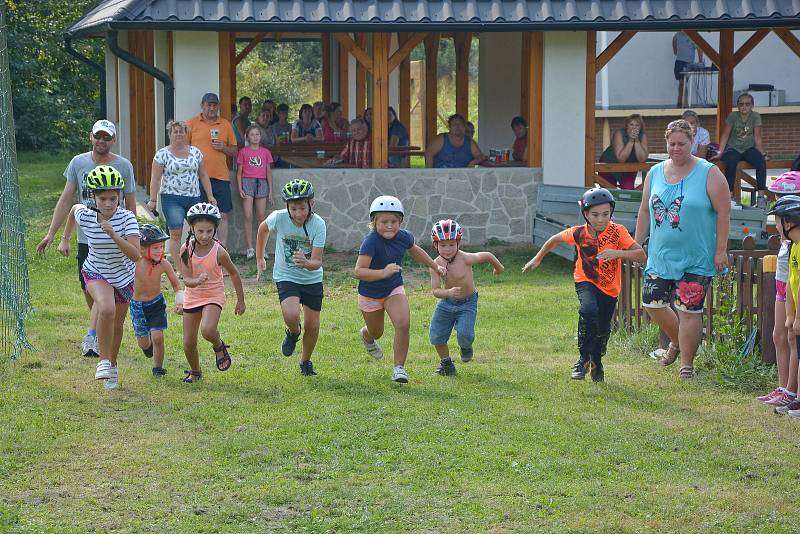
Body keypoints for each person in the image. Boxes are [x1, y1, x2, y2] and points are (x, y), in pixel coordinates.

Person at [635, 119, 730, 379]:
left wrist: (720, 250)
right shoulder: (655, 172)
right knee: (652, 303)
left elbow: (723, 213)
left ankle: (686, 364)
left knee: (689, 310)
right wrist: (636, 242)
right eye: (671, 143)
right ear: (666, 142)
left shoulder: (709, 173)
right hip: (660, 254)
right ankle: (677, 342)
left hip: (696, 256)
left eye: (682, 143)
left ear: (692, 143)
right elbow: (644, 209)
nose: (676, 148)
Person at [36, 119, 137, 359]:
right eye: (98, 136)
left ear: (114, 140)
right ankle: (102, 329)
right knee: (90, 291)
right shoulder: (78, 163)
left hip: (116, 240)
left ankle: (93, 337)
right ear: (90, 137)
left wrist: (133, 235)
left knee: (109, 300)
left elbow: (131, 203)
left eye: (106, 137)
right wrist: (55, 235)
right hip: (88, 238)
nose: (102, 141)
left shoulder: (124, 165)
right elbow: (67, 200)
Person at [523, 188, 645, 382]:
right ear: (586, 214)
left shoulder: (618, 232)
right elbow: (555, 239)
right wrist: (538, 258)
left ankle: (596, 362)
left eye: (605, 214)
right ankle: (582, 360)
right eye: (595, 215)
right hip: (585, 280)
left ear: (611, 213)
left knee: (603, 329)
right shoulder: (579, 232)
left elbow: (640, 255)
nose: (600, 219)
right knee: (588, 311)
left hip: (610, 288)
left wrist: (618, 253)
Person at [58, 166, 140, 390]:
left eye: (113, 198)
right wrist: (65, 239)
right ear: (92, 197)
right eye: (102, 198)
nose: (108, 203)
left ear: (119, 197)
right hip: (95, 271)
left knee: (117, 325)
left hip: (123, 277)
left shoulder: (127, 219)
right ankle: (103, 361)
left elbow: (135, 255)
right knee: (106, 309)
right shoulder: (85, 214)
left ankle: (112, 365)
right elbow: (73, 210)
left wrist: (114, 234)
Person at [354, 195, 447, 383]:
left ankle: (399, 368)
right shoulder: (371, 242)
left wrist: (434, 266)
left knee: (403, 324)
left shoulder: (403, 237)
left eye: (394, 221)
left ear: (400, 221)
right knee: (376, 332)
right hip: (370, 294)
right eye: (384, 221)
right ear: (374, 222)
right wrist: (383, 272)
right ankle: (366, 335)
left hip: (393, 289)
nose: (389, 226)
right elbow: (359, 271)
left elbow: (415, 250)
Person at [255, 179, 327, 376]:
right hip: (286, 275)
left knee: (312, 327)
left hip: (311, 278)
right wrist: (260, 256)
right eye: (293, 208)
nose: (298, 213)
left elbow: (317, 262)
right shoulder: (279, 218)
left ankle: (305, 361)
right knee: (291, 315)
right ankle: (293, 332)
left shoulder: (319, 225)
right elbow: (262, 229)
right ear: (287, 206)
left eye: (302, 208)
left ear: (311, 204)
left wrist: (306, 262)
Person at [179, 203, 246, 383]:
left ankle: (219, 346)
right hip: (192, 296)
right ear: (192, 228)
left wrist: (240, 300)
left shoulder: (219, 252)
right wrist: (196, 281)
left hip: (213, 295)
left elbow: (233, 273)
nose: (205, 236)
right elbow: (186, 279)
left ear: (215, 229)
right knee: (188, 343)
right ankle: (195, 371)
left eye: (209, 231)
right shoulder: (186, 250)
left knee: (208, 330)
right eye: (200, 231)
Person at [428, 219, 504, 376]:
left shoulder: (466, 258)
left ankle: (466, 346)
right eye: (443, 245)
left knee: (465, 334)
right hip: (446, 303)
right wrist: (447, 293)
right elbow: (435, 290)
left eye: (451, 244)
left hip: (468, 303)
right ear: (435, 245)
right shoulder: (435, 265)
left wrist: (498, 268)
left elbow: (488, 255)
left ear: (458, 243)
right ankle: (446, 365)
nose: (447, 249)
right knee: (436, 335)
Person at [148, 120, 216, 265]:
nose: (178, 134)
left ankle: (197, 262)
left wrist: (210, 195)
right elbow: (155, 178)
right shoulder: (162, 154)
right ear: (170, 134)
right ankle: (180, 267)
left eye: (181, 131)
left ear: (186, 134)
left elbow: (203, 175)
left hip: (193, 197)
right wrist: (152, 200)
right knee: (176, 232)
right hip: (171, 198)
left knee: (198, 231)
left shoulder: (195, 152)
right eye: (175, 131)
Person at [759, 174, 800, 409]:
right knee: (778, 335)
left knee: (793, 337)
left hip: (793, 289)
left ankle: (792, 390)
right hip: (782, 286)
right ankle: (783, 386)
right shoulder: (787, 242)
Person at [130, 224, 183, 378]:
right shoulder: (134, 263)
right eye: (155, 248)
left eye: (161, 247)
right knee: (144, 345)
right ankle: (148, 347)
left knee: (158, 337)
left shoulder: (163, 264)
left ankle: (158, 369)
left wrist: (180, 301)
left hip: (156, 304)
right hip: (137, 306)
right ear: (141, 249)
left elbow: (175, 284)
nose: (160, 250)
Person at [186, 92, 238, 247]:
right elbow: (184, 150)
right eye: (209, 104)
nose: (212, 108)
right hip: (198, 178)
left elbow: (235, 150)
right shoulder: (191, 124)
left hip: (221, 176)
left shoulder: (225, 124)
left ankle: (222, 251)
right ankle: (199, 250)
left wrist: (224, 148)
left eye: (215, 105)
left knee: (222, 215)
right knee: (199, 217)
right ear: (202, 106)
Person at [712, 92, 768, 208]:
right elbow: (725, 135)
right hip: (733, 148)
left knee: (760, 163)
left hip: (748, 148)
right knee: (731, 163)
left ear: (752, 106)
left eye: (747, 104)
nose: (744, 106)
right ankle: (730, 196)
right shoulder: (733, 116)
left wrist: (762, 153)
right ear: (737, 106)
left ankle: (761, 197)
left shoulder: (755, 116)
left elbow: (757, 137)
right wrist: (719, 152)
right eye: (741, 104)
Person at [235, 125, 274, 259]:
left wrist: (271, 191)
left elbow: (268, 172)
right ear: (247, 137)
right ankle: (250, 248)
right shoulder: (243, 152)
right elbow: (239, 173)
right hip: (247, 182)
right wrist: (240, 188)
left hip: (261, 182)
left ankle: (261, 248)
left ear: (260, 136)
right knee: (248, 215)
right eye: (252, 134)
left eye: (257, 134)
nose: (255, 137)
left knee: (261, 217)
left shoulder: (265, 152)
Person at [598, 114, 649, 190]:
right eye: (631, 124)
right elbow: (621, 159)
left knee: (628, 190)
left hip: (629, 168)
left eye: (637, 125)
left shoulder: (642, 136)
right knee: (609, 191)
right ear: (626, 125)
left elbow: (642, 159)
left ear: (640, 127)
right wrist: (631, 141)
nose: (634, 127)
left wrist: (637, 141)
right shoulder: (619, 134)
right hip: (609, 165)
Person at [673, 32, 703, 108]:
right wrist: (676, 51)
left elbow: (699, 48)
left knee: (683, 83)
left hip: (688, 63)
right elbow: (674, 44)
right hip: (679, 62)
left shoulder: (692, 36)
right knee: (681, 83)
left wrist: (700, 61)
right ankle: (679, 102)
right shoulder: (677, 35)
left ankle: (684, 103)